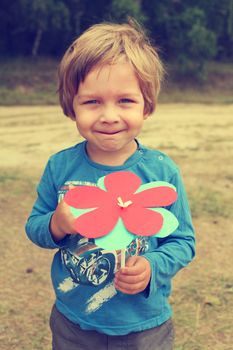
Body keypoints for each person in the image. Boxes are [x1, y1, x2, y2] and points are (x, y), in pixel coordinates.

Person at [25, 19, 195, 350]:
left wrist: (151, 266)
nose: (109, 115)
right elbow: (35, 226)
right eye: (92, 102)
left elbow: (183, 241)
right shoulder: (60, 166)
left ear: (147, 104)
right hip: (74, 324)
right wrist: (56, 224)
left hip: (144, 327)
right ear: (71, 105)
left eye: (125, 101)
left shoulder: (162, 172)